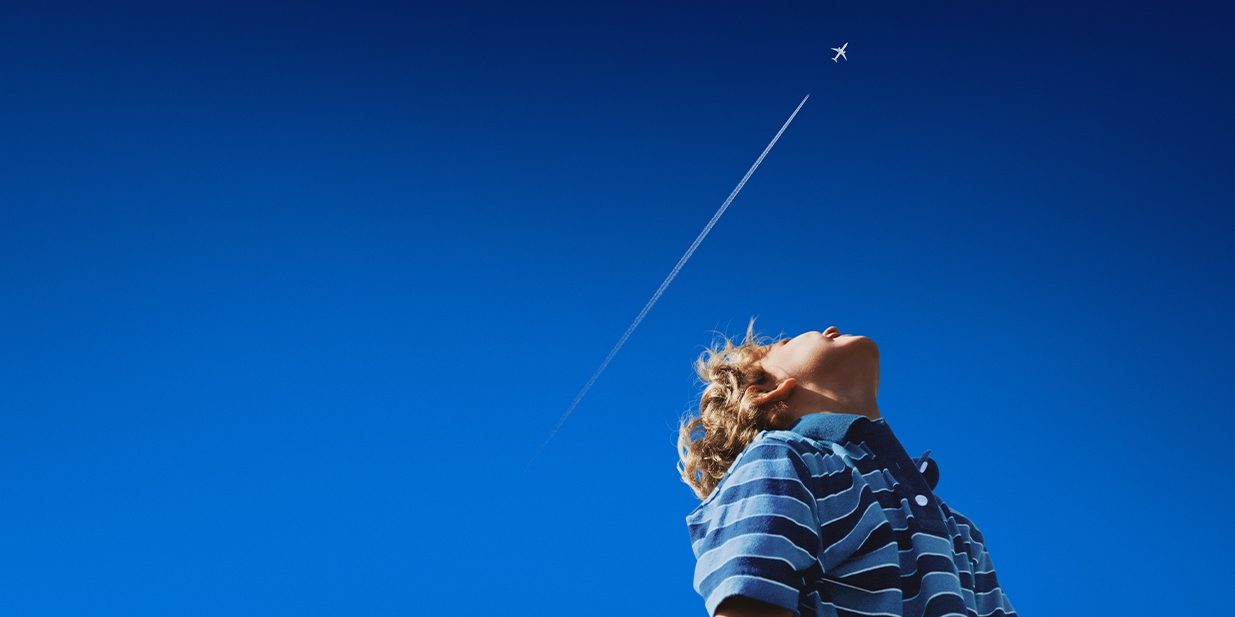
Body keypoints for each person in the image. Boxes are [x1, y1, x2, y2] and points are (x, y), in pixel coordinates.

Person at [676, 317, 1018, 617]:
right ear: (765, 390)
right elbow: (748, 605)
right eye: (785, 342)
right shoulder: (782, 459)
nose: (828, 327)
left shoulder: (960, 528)